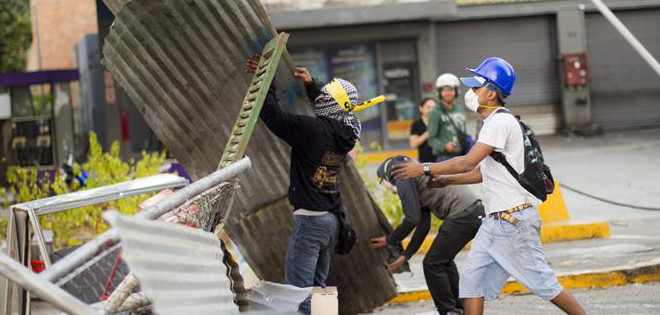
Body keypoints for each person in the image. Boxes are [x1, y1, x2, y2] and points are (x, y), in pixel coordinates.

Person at [390, 57, 586, 315]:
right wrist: (446, 180)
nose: (470, 93)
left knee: (544, 285)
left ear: (491, 93)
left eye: (475, 87)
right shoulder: (491, 124)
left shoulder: (499, 122)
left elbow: (467, 162)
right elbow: (482, 173)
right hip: (495, 224)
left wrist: (423, 168)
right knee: (471, 284)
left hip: (514, 222)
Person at [246, 54, 361, 315]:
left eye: (324, 97)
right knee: (318, 290)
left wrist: (268, 80)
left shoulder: (310, 130)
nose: (320, 99)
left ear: (331, 105)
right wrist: (312, 86)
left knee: (298, 294)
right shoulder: (347, 132)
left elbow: (273, 116)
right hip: (330, 220)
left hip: (310, 221)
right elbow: (329, 107)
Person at [370, 155, 484, 315]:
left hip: (463, 214)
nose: (387, 189)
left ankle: (449, 310)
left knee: (432, 264)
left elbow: (411, 219)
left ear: (386, 176)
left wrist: (390, 239)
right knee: (443, 261)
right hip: (472, 213)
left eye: (382, 183)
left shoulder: (401, 176)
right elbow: (423, 225)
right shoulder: (414, 179)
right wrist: (405, 255)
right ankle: (458, 308)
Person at [427, 73, 468, 162]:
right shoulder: (435, 112)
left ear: (456, 91)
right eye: (445, 90)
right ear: (439, 92)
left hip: (462, 156)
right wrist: (444, 146)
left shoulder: (460, 109)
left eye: (451, 90)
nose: (448, 93)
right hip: (444, 158)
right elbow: (431, 139)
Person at [410, 98, 438, 163]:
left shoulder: (441, 123)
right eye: (428, 107)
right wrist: (428, 132)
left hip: (442, 161)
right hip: (424, 163)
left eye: (434, 108)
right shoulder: (416, 124)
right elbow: (413, 144)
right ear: (421, 108)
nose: (431, 110)